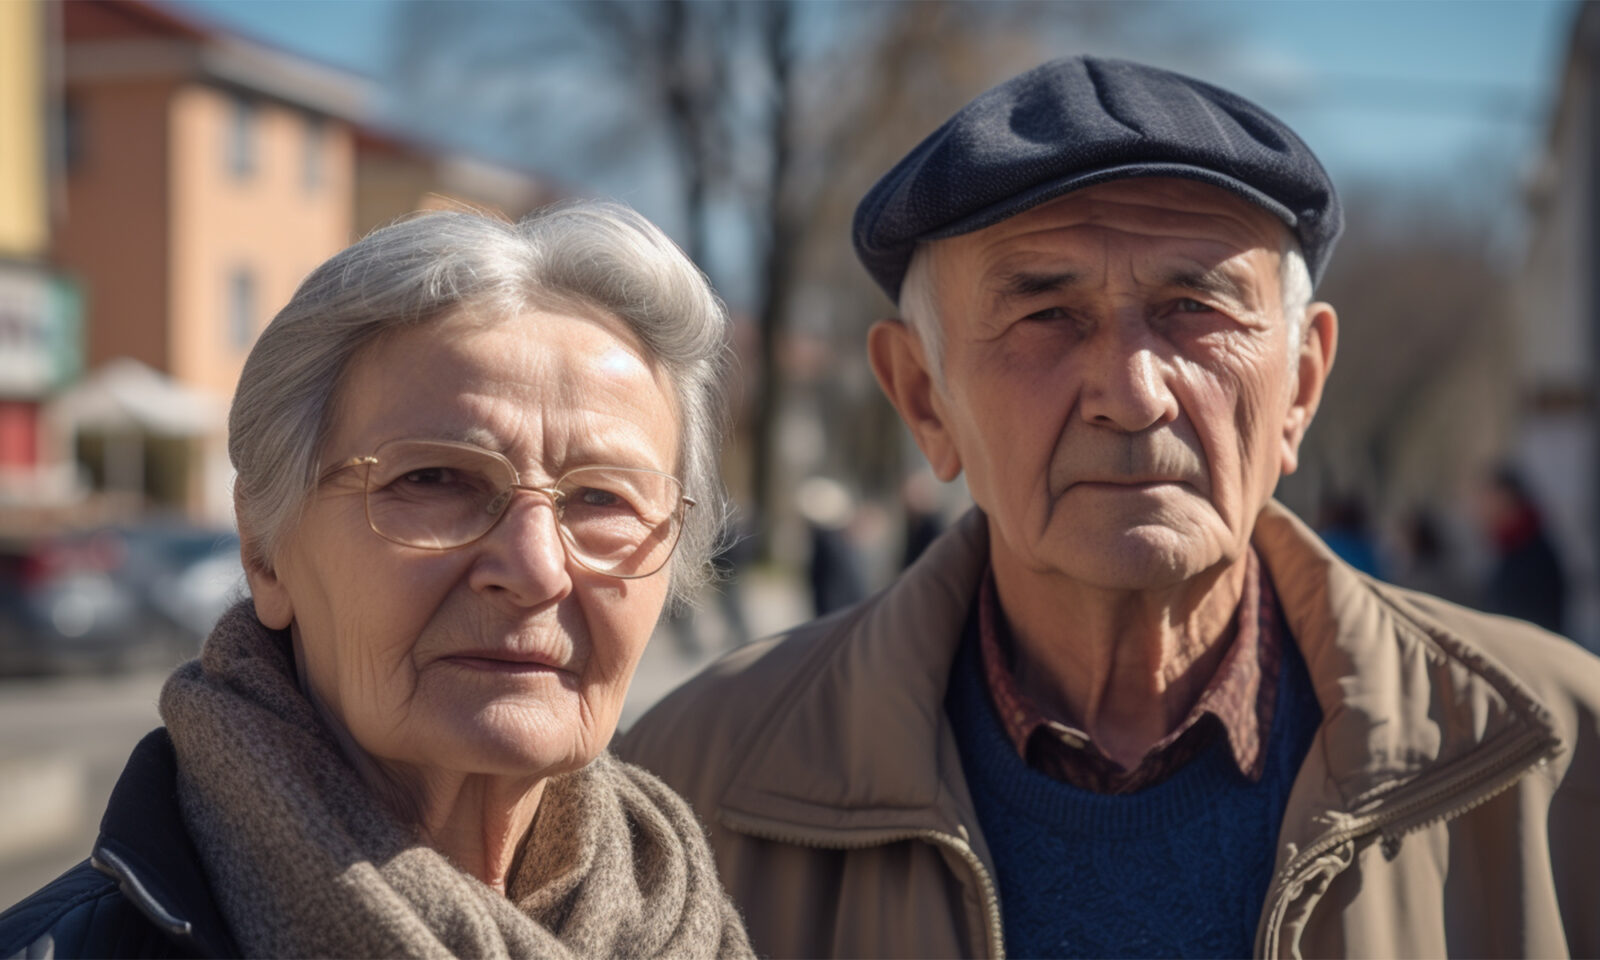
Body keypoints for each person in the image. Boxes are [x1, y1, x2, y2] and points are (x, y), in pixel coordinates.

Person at [618, 56, 1600, 958]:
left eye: (1195, 309)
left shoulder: (1557, 755)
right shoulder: (692, 786)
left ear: (1300, 385)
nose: (1133, 394)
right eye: (1047, 314)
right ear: (922, 396)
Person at [0, 203, 752, 958]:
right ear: (265, 549)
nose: (534, 569)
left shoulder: (694, 925)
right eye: (435, 479)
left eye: (603, 499)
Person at [1481, 464, 1568, 634]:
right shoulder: (1508, 548)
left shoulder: (1534, 553)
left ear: (1508, 499)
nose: (1482, 509)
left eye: (1489, 498)